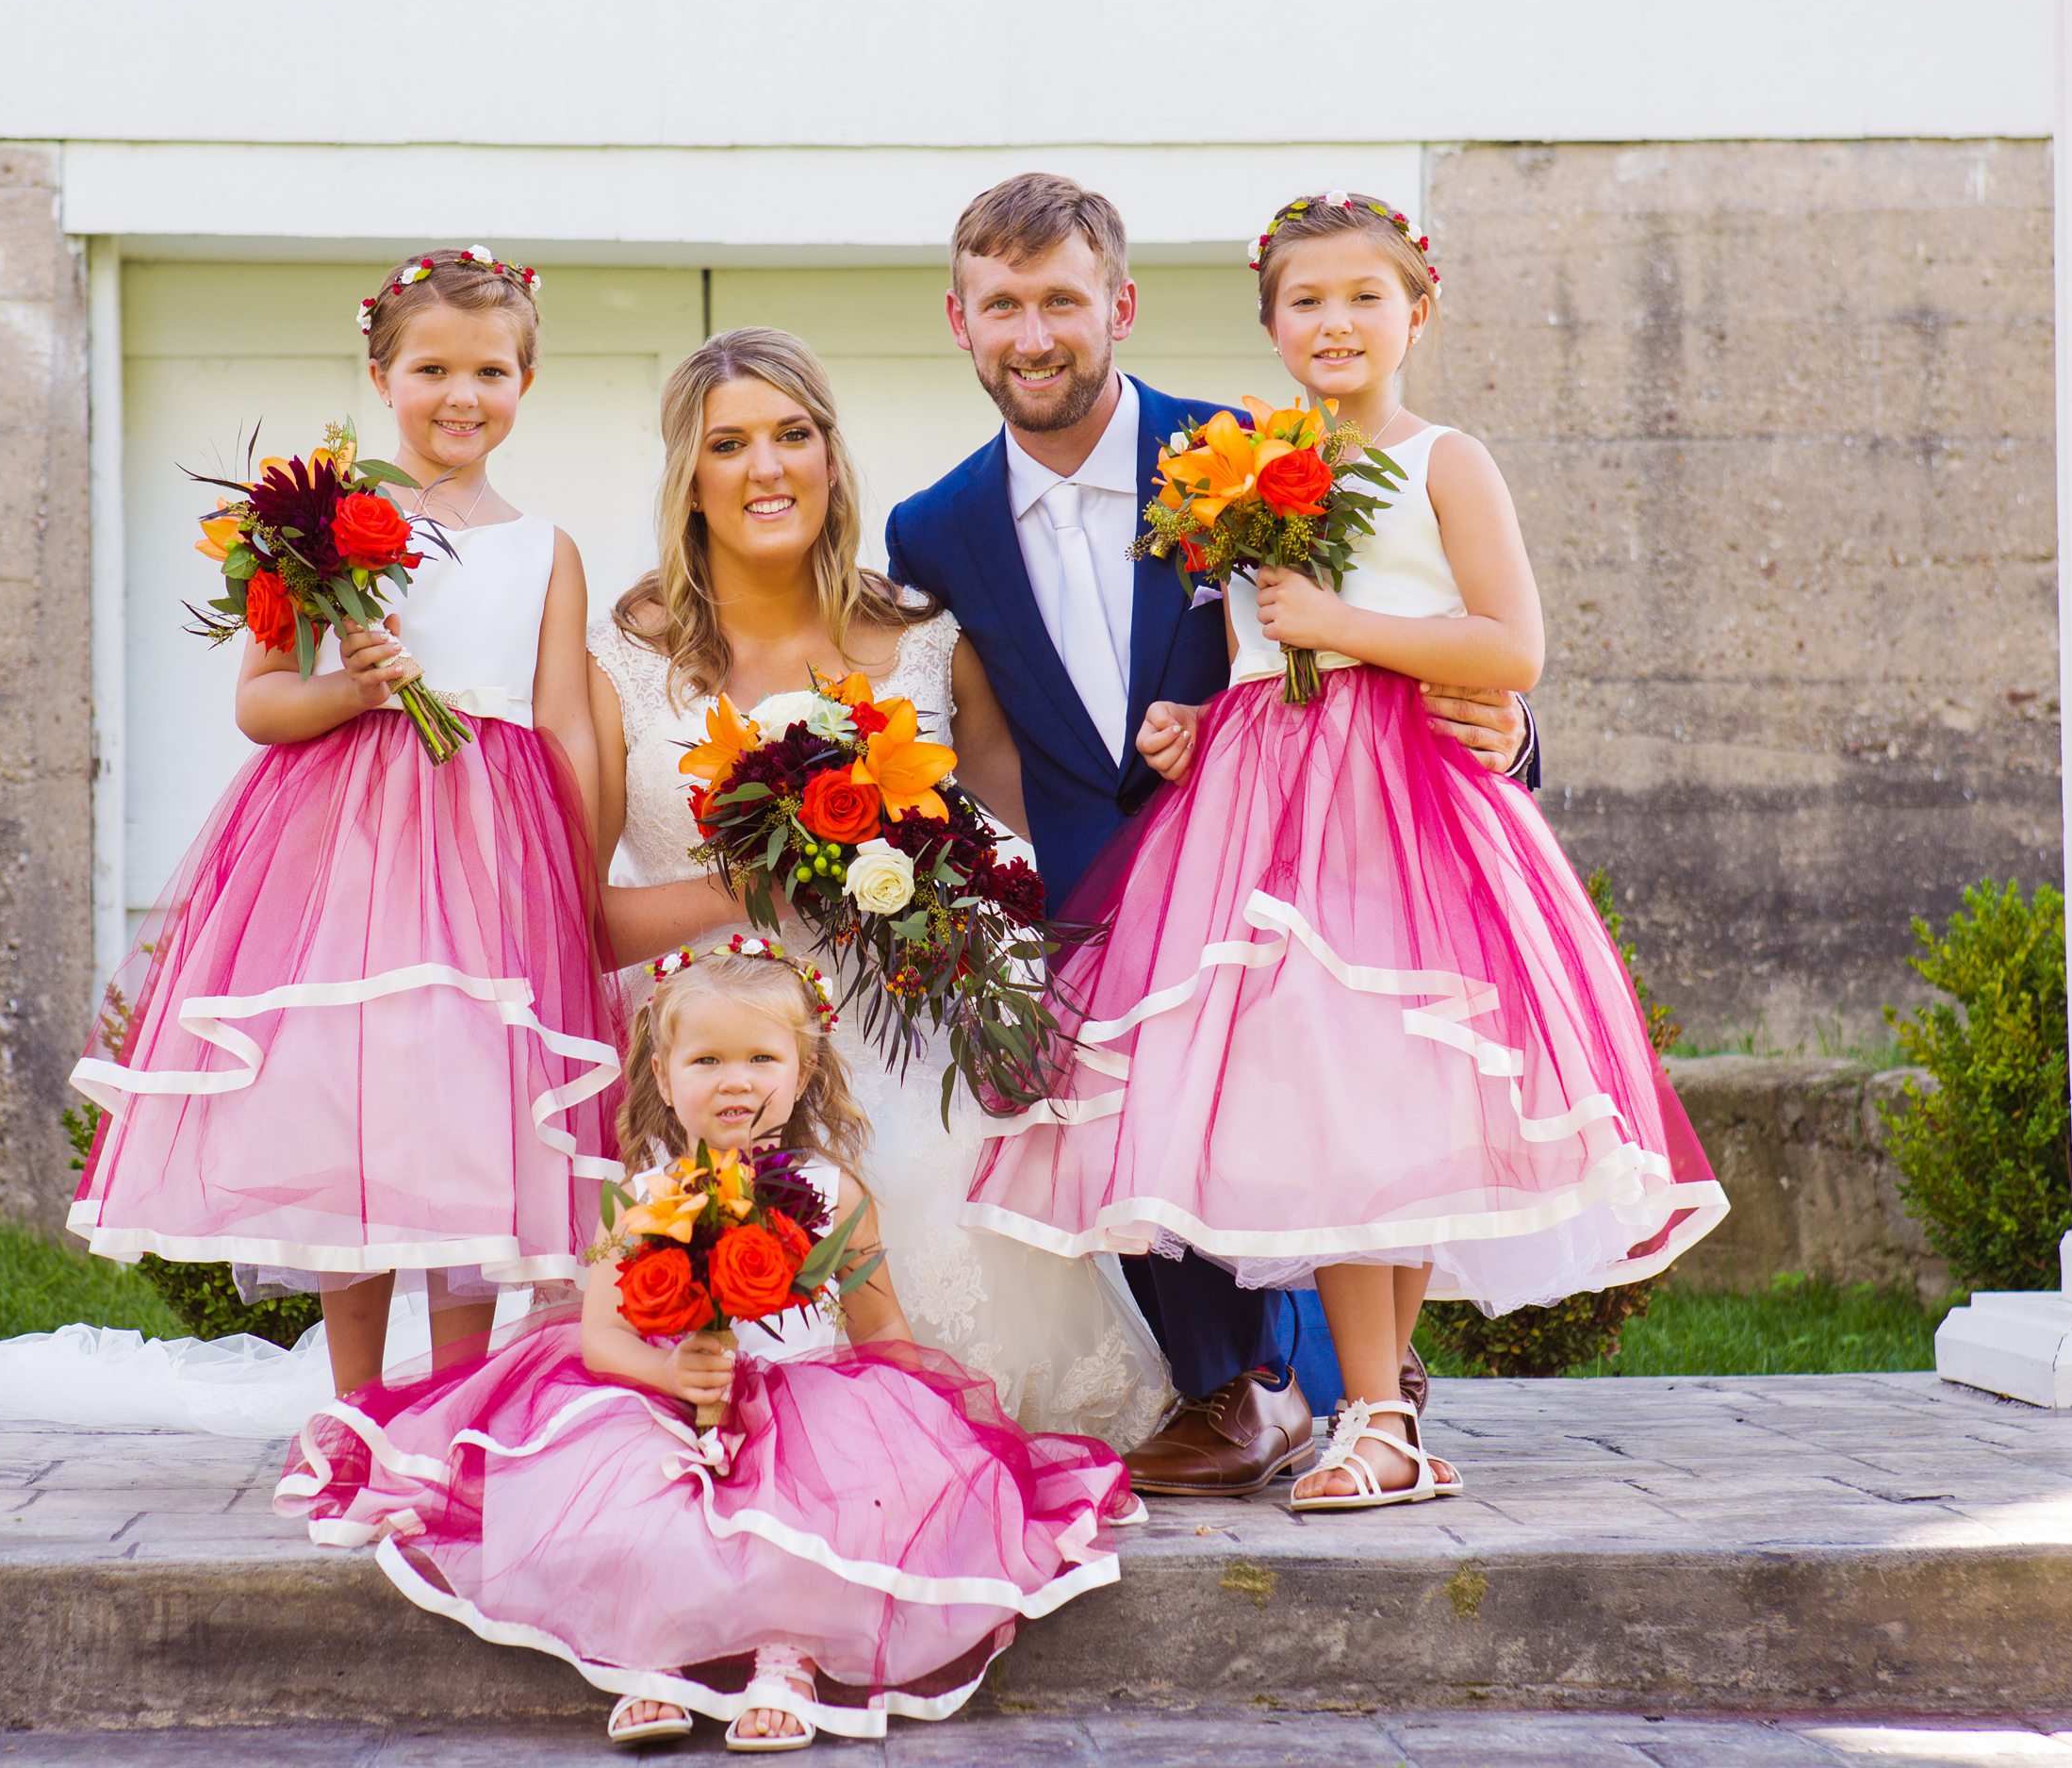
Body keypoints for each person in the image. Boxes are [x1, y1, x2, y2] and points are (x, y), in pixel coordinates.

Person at [965, 191, 1728, 1511]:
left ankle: (1382, 1411)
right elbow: (1253, 639)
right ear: (1269, 326)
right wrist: (1194, 714)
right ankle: (1371, 1414)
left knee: (1393, 1096)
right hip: (1259, 817)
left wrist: (1339, 622)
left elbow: (1509, 647)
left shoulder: (1446, 461)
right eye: (1306, 301)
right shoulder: (1236, 465)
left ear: (1416, 314)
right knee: (1321, 1110)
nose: (1335, 323)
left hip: (1400, 816)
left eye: (1364, 297)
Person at [883, 173, 1539, 1495]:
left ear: (1118, 305)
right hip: (1087, 903)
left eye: (1061, 299)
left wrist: (1511, 741)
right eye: (1000, 304)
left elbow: (1423, 629)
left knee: (1337, 1100)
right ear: (958, 320)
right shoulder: (931, 529)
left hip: (1298, 869)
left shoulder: (1257, 454)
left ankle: (1348, 1388)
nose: (1033, 333)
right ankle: (1252, 1388)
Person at [275, 944, 1134, 1751]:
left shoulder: (836, 1193)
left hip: (813, 1406)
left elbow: (880, 1329)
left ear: (805, 1072)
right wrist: (670, 1369)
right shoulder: (646, 1194)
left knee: (832, 1510)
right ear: (663, 1072)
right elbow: (605, 1337)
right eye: (708, 1061)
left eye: (763, 1059)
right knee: (631, 1496)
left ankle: (787, 1655)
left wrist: (934, 1432)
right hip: (662, 1401)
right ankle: (653, 1652)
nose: (737, 1082)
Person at [585, 327, 1174, 1447]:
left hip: (915, 1037)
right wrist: (748, 887)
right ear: (689, 478)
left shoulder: (922, 639)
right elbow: (577, 918)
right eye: (730, 443)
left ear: (832, 456)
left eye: (794, 434)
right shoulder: (621, 656)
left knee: (948, 1224)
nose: (767, 467)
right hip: (710, 1061)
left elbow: (1025, 858)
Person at [58, 248, 618, 1398]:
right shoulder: (309, 525)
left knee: (469, 1113)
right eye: (432, 368)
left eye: (492, 371)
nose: (462, 395)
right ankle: (358, 1400)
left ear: (526, 379)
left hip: (490, 848)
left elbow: (564, 722)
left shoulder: (546, 548)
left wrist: (572, 870)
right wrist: (358, 691)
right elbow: (263, 700)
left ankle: (459, 1402)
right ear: (381, 375)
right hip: (352, 848)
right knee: (354, 1103)